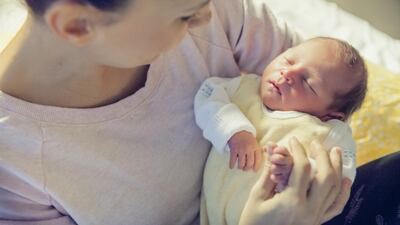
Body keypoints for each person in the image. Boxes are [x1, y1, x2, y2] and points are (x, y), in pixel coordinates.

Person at [0, 0, 357, 224]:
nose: (206, 15)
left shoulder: (217, 11)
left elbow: (331, 87)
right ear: (77, 25)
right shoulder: (14, 172)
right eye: (185, 15)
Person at [194, 37, 367, 225]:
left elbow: (341, 177)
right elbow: (207, 94)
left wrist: (297, 173)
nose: (287, 73)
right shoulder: (245, 88)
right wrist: (233, 131)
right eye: (288, 60)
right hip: (209, 216)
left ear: (331, 115)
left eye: (307, 82)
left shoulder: (329, 131)